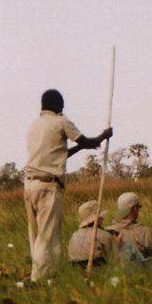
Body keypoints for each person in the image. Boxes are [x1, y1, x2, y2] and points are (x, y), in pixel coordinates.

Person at [24, 89, 112, 280]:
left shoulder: (35, 126)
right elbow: (86, 141)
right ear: (56, 104)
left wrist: (82, 146)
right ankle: (40, 280)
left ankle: (38, 273)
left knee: (36, 237)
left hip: (30, 185)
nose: (63, 108)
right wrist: (104, 136)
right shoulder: (60, 121)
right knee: (47, 237)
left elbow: (58, 153)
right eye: (61, 104)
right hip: (48, 186)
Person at [67, 200, 117, 266]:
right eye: (101, 217)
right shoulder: (105, 235)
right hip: (98, 269)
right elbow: (111, 258)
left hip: (76, 269)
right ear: (97, 218)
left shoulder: (74, 235)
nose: (103, 219)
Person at [110, 191, 152, 260]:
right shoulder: (145, 231)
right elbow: (151, 258)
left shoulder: (109, 230)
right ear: (134, 208)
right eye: (138, 207)